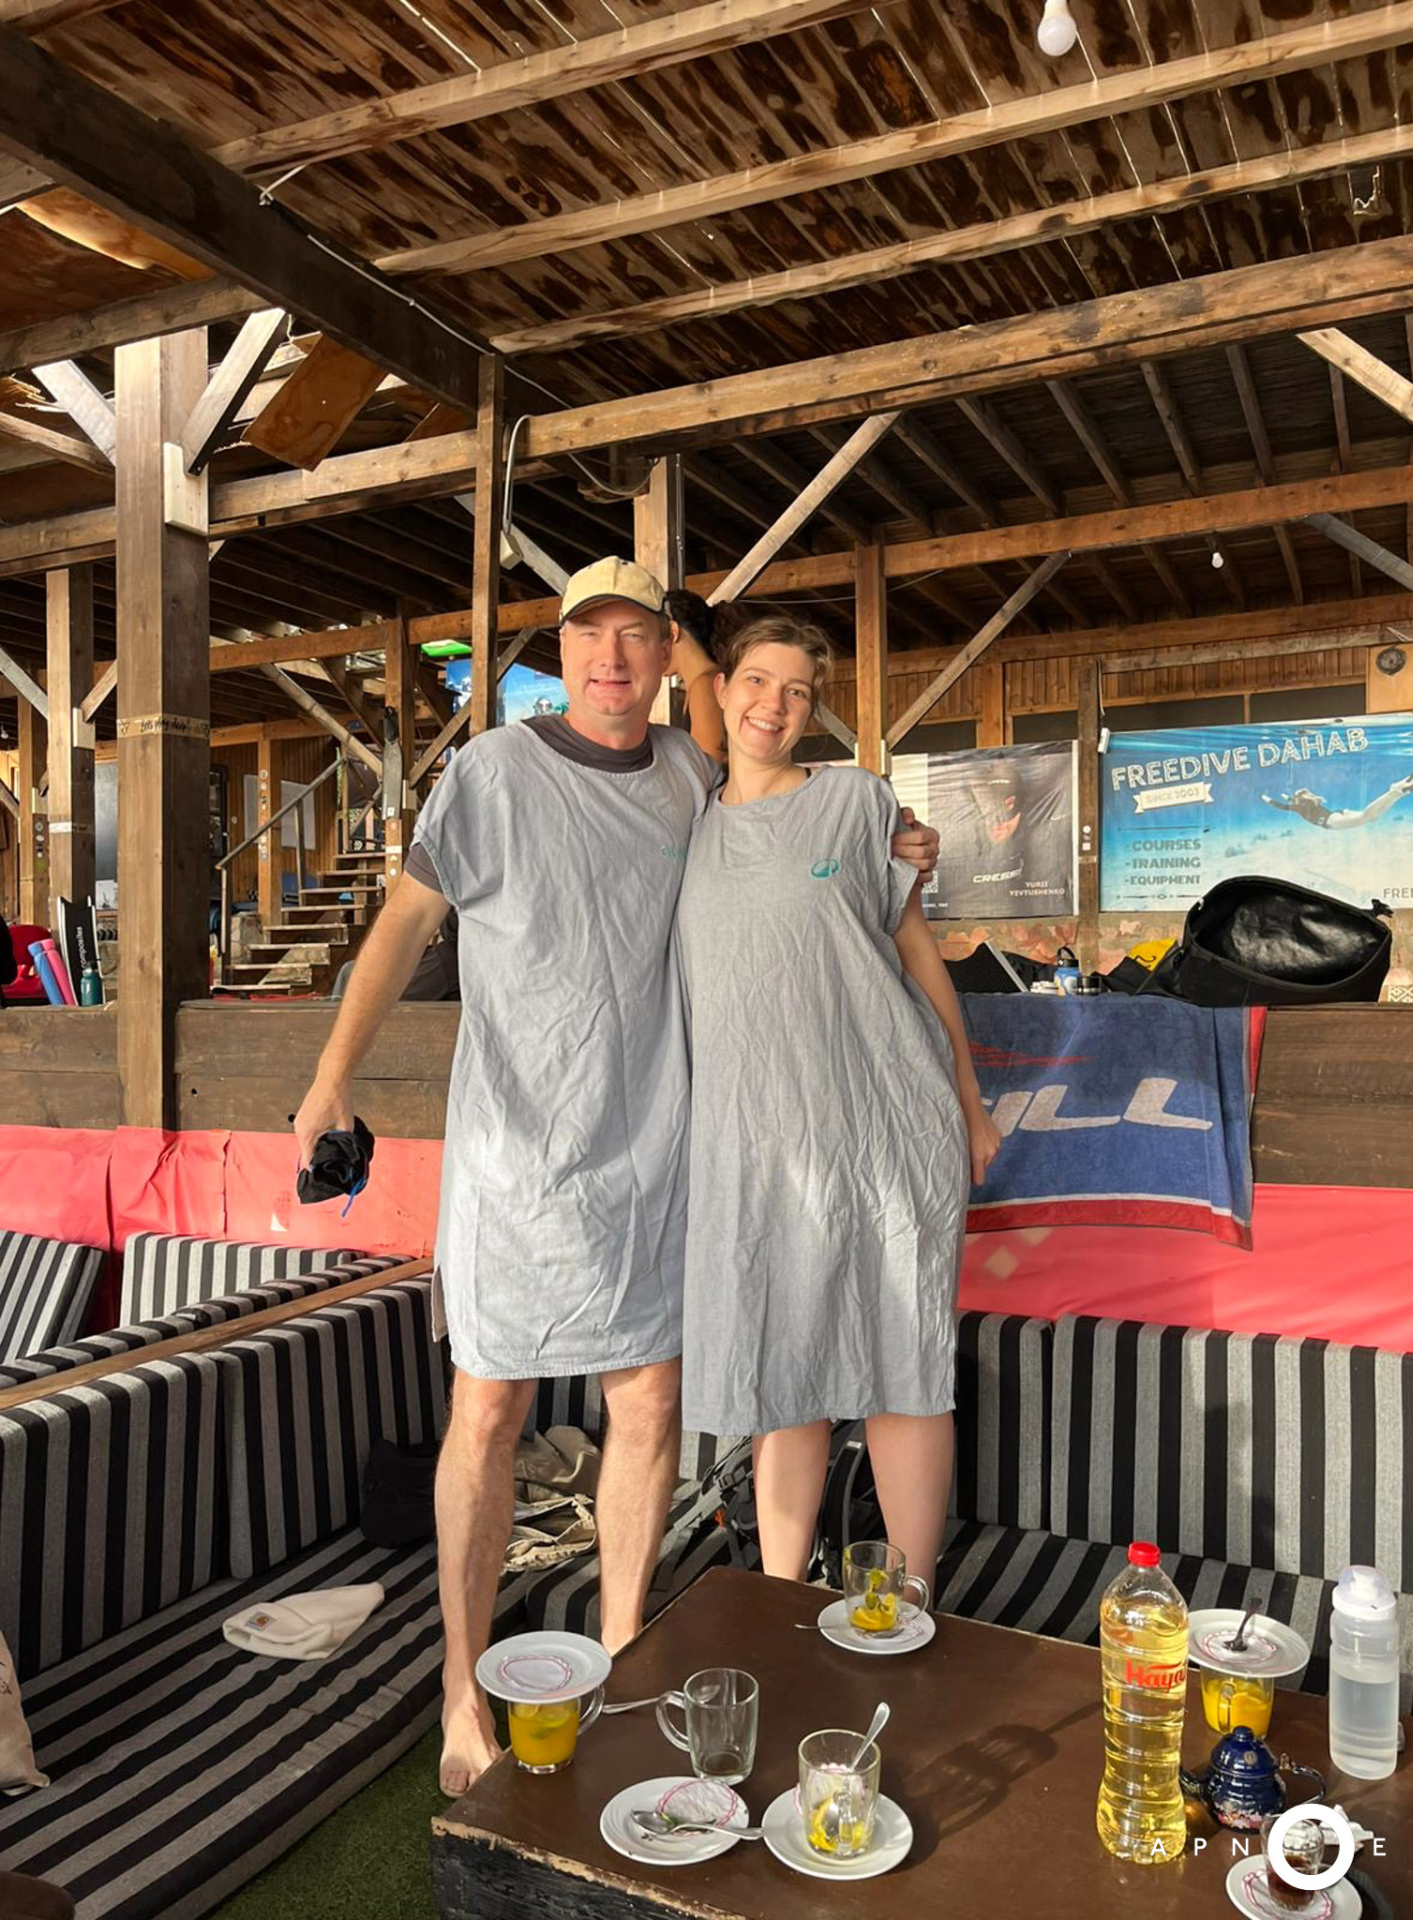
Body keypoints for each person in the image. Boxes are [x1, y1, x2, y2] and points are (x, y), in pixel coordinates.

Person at [291, 559, 938, 1795]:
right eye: (592, 634)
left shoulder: (692, 776)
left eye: (638, 636)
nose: (613, 657)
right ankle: (462, 1691)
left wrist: (897, 843)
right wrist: (331, 1078)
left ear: (663, 658)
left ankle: (622, 1651)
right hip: (517, 1160)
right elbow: (405, 924)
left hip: (652, 1151)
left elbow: (789, 809)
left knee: (647, 1403)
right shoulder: (491, 773)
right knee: (489, 1409)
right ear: (564, 649)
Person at [677, 614, 1002, 1603]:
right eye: (757, 680)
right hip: (758, 1146)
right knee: (787, 1377)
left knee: (903, 1361)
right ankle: (782, 1603)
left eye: (798, 691)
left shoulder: (857, 801)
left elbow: (914, 947)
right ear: (723, 689)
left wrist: (968, 1099)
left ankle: (914, 1597)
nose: (773, 705)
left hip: (881, 1125)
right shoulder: (683, 819)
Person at [1261, 763, 1413, 829]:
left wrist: (1266, 798)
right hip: (1336, 815)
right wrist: (1285, 796)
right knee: (1373, 818)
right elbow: (1289, 801)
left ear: (1299, 799)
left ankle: (1394, 791)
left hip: (1333, 821)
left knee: (1367, 816)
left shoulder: (1300, 807)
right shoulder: (1307, 803)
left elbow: (1283, 806)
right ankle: (1398, 794)